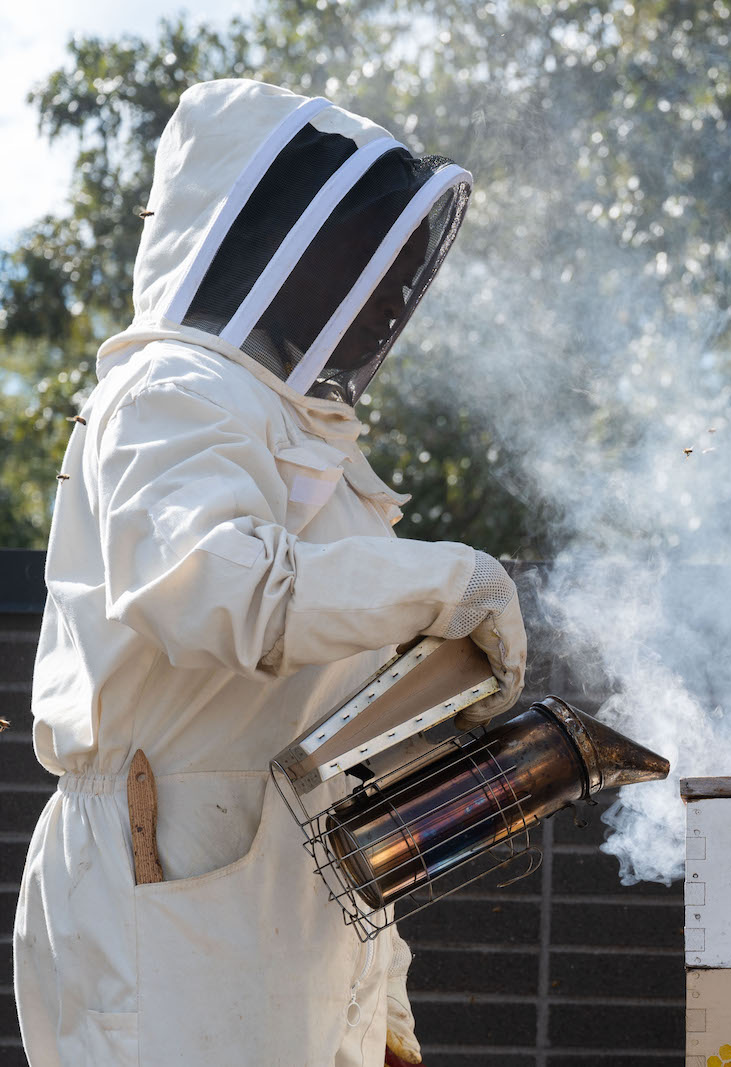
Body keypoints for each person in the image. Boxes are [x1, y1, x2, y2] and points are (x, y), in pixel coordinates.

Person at [13, 79, 527, 1066]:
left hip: (296, 883)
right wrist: (452, 583)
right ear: (264, 235)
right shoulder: (171, 390)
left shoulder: (296, 431)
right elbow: (219, 591)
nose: (387, 290)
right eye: (360, 249)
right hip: (169, 875)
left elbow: (302, 710)